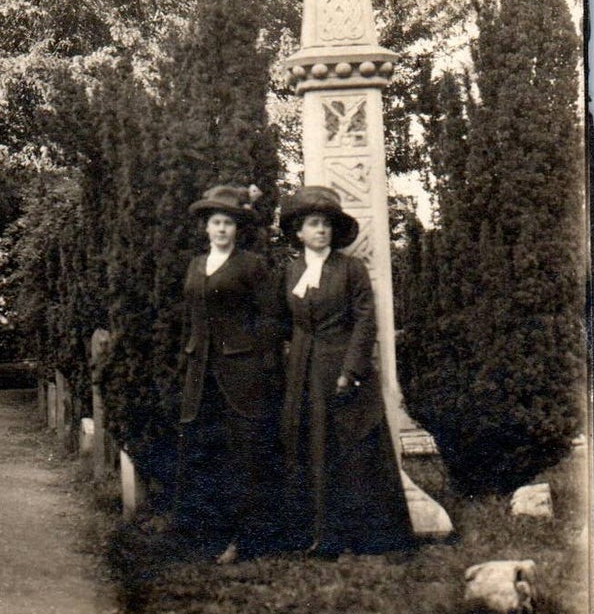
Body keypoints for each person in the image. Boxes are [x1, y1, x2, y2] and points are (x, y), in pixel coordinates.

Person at [278, 185, 415, 555]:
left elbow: (365, 321)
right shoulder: (291, 272)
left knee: (351, 452)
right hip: (303, 373)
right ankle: (318, 535)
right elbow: (283, 323)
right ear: (299, 232)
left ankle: (365, 537)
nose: (321, 231)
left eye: (326, 225)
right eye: (313, 224)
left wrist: (351, 370)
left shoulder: (350, 269)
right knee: (310, 447)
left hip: (341, 369)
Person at [176, 183, 282, 563]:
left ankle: (246, 539)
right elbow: (190, 319)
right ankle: (206, 536)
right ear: (206, 227)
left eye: (228, 224)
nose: (221, 229)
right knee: (206, 454)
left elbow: (270, 319)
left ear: (238, 229)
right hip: (201, 376)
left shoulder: (251, 265)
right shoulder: (195, 264)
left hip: (242, 376)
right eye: (215, 222)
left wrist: (262, 364)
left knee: (245, 456)